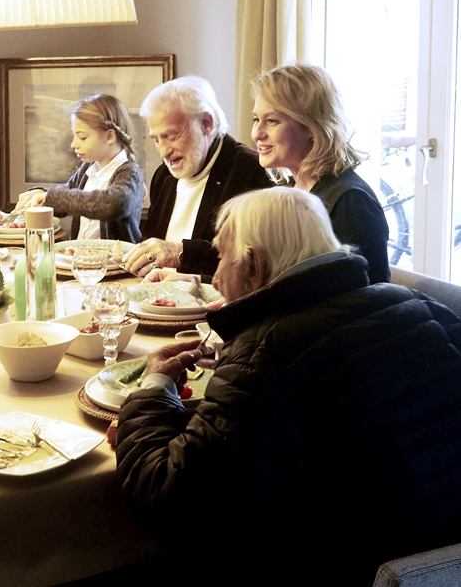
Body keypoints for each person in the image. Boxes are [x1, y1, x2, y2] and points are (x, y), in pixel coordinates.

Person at [114, 187, 461, 585]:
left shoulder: (265, 359)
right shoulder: (424, 308)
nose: (217, 273)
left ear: (253, 265)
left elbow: (169, 504)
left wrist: (153, 388)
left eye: (221, 256)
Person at [120, 77, 273, 279]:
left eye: (172, 136)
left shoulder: (251, 172)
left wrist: (179, 253)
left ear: (206, 124)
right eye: (156, 140)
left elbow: (251, 266)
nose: (164, 152)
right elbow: (151, 246)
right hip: (157, 300)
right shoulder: (164, 175)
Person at [252, 62, 390, 284]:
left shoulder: (350, 202)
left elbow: (365, 299)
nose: (257, 133)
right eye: (256, 119)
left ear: (311, 127)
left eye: (271, 121)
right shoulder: (286, 192)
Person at [12, 94, 145, 242]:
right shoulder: (87, 169)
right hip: (81, 259)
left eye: (82, 137)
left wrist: (51, 197)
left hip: (117, 263)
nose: (73, 144)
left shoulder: (130, 174)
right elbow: (67, 195)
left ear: (109, 136)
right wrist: (43, 194)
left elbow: (113, 204)